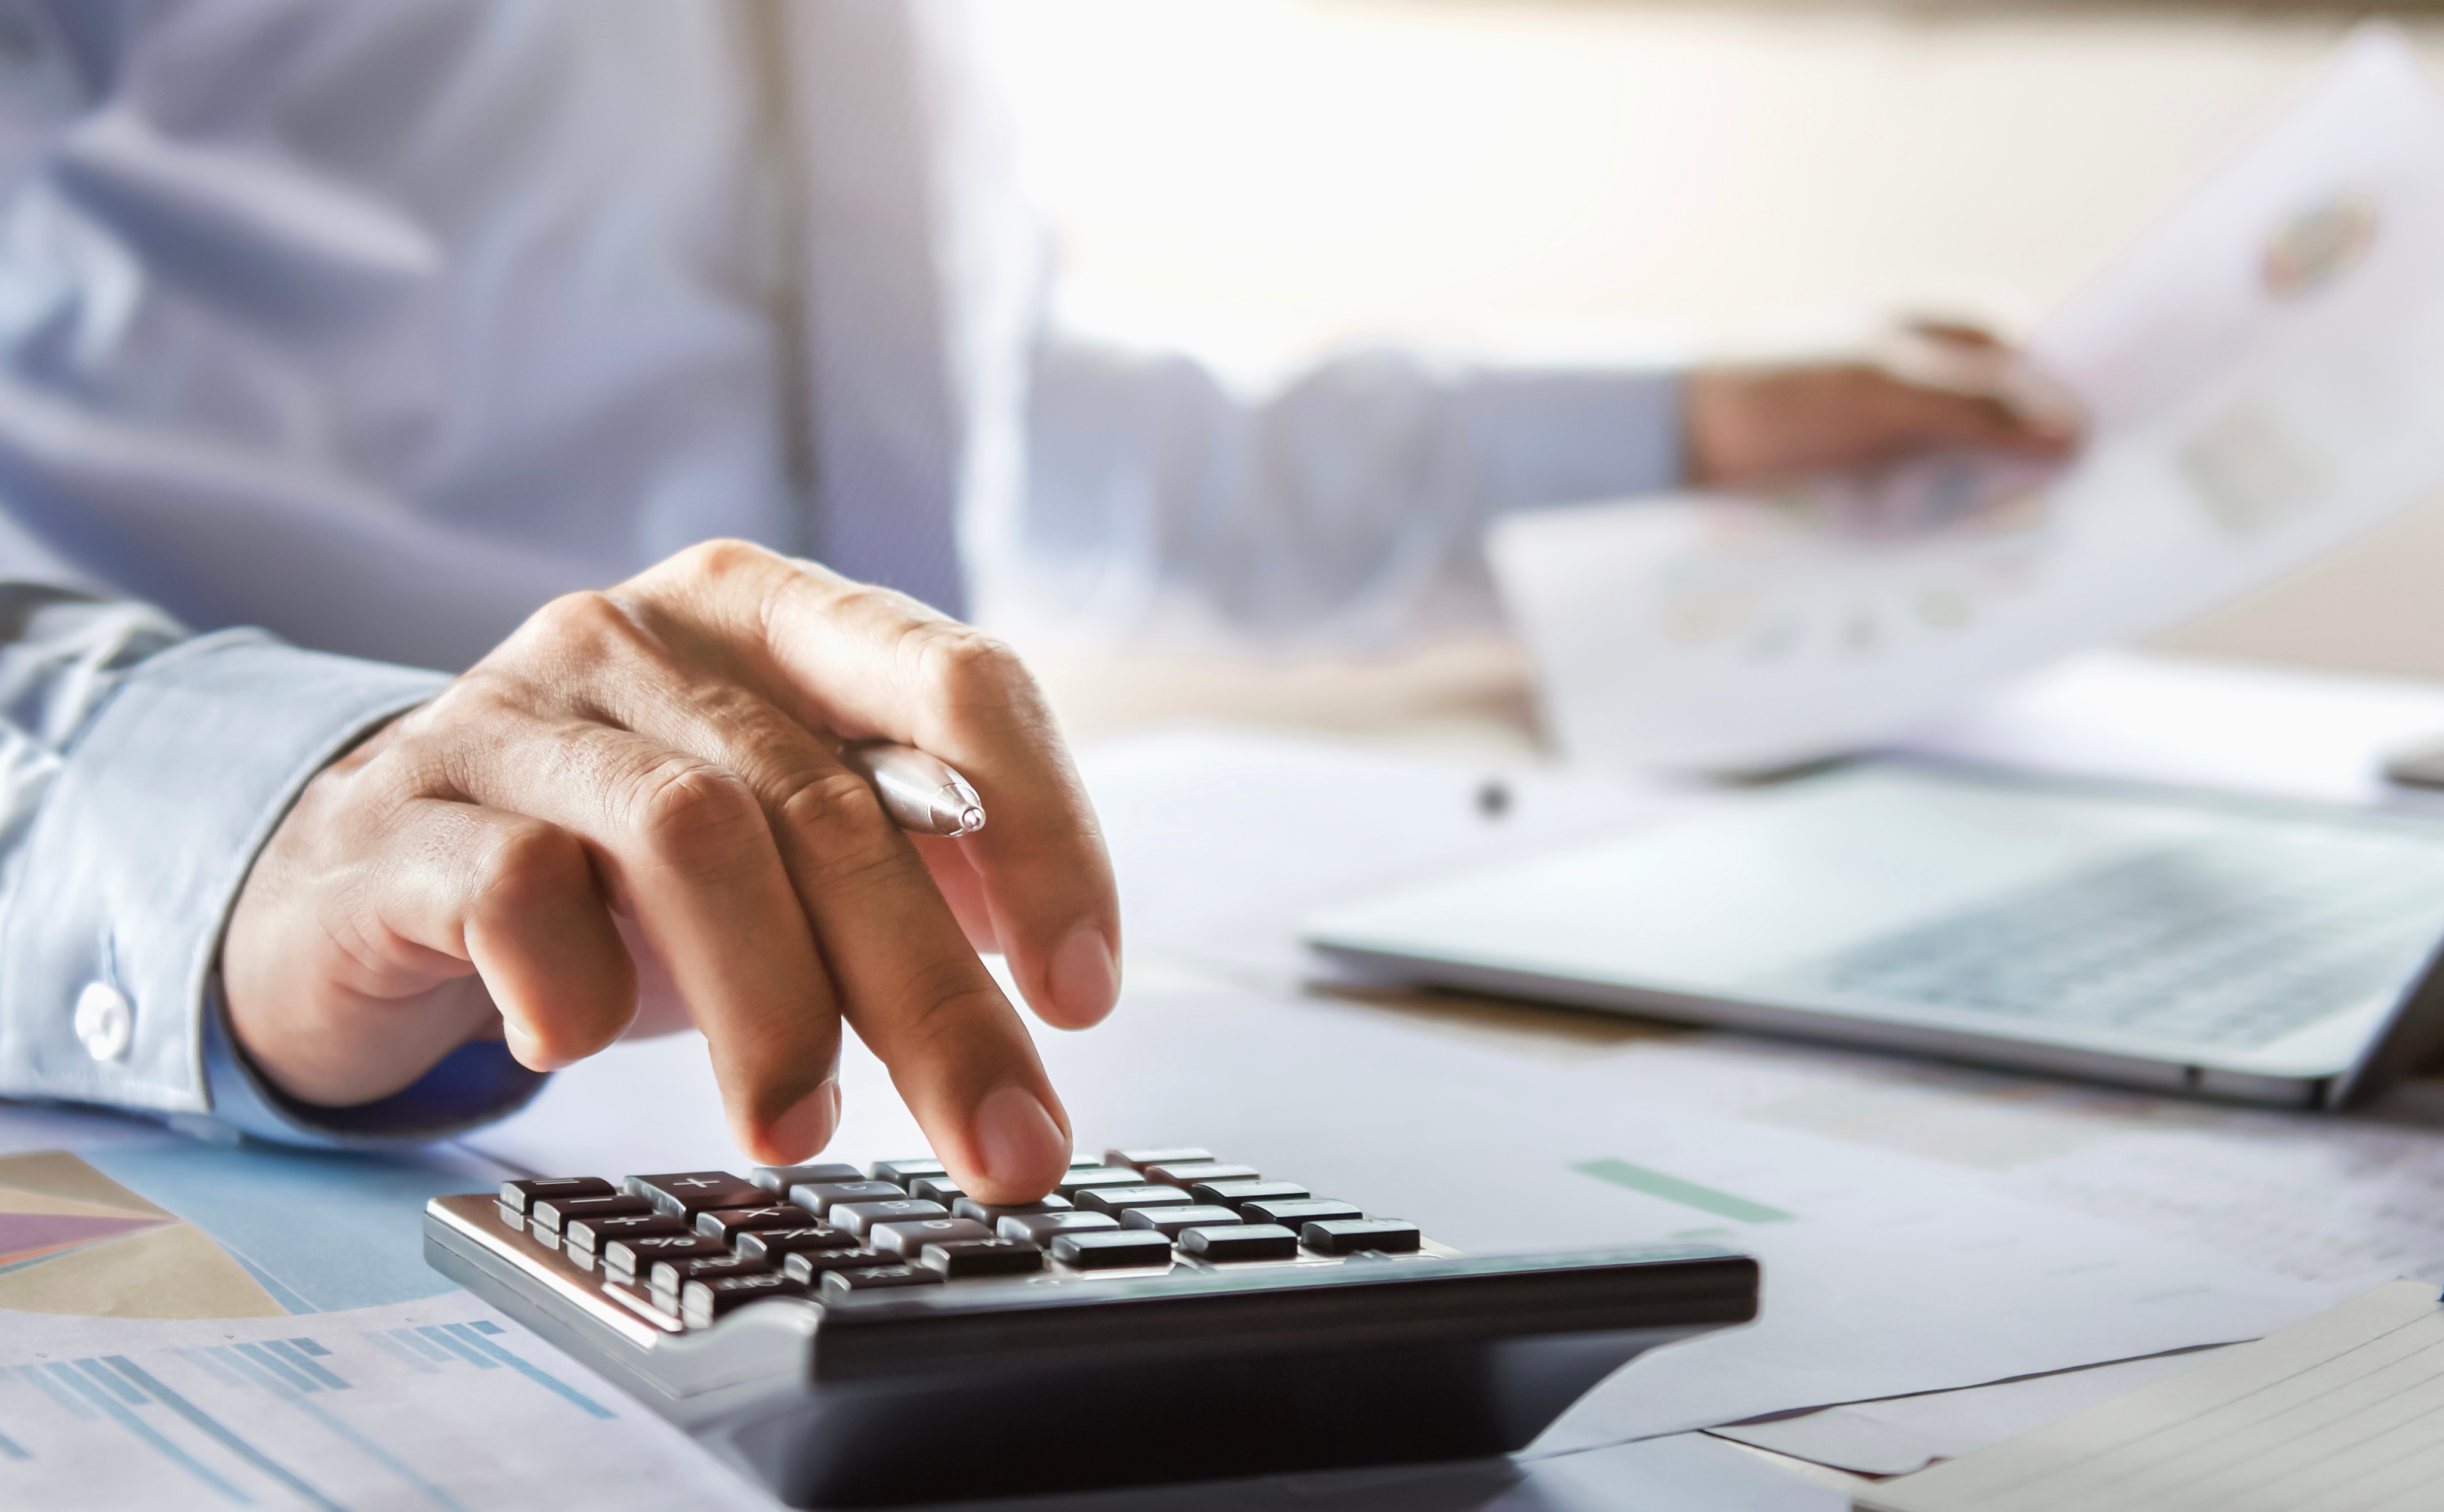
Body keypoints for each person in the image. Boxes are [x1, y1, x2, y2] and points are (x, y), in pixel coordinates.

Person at [0, 1, 2075, 1202]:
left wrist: (1674, 432)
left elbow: (958, 420)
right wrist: (262, 818)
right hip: (184, 1071)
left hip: (808, 1106)